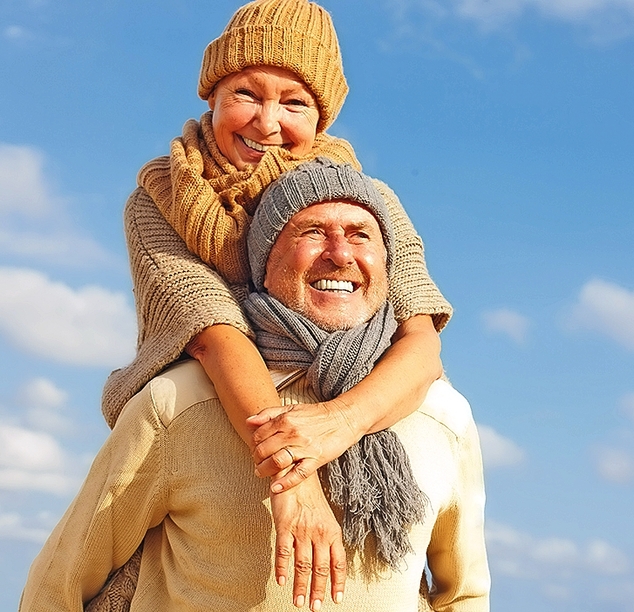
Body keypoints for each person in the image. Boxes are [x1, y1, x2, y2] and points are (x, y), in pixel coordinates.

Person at [94, 0, 452, 602]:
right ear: (212, 93)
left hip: (347, 408)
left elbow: (421, 339)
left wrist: (335, 427)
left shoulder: (367, 201)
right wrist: (295, 480)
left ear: (322, 116)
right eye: (246, 94)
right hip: (211, 414)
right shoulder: (159, 196)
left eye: (294, 103)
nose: (266, 123)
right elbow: (212, 330)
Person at [19, 160, 489, 612]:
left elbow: (463, 596)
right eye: (311, 232)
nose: (340, 253)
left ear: (389, 267)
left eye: (360, 235)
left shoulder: (442, 416)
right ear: (264, 263)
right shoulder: (178, 404)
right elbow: (59, 584)